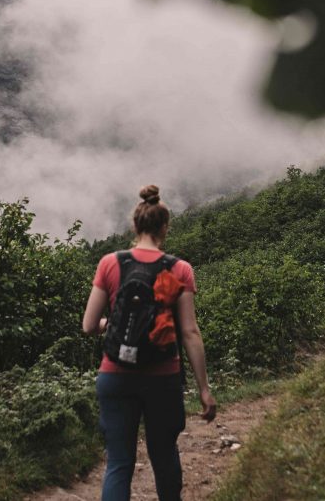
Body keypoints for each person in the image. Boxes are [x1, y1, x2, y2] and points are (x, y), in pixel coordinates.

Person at [82, 185, 217, 501]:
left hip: (114, 374)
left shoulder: (110, 263)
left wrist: (114, 324)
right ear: (165, 228)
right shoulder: (180, 269)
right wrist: (204, 389)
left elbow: (89, 325)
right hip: (162, 378)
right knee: (164, 455)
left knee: (118, 463)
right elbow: (190, 333)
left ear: (135, 225)